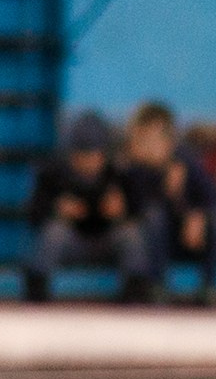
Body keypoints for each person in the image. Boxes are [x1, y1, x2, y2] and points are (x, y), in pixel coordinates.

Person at [22, 110, 159, 304]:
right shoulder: (53, 174)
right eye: (82, 157)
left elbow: (141, 210)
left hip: (108, 240)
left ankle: (135, 291)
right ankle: (37, 290)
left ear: (103, 155)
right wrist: (56, 208)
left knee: (130, 233)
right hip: (73, 242)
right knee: (54, 232)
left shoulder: (119, 173)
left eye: (93, 157)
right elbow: (33, 214)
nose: (88, 164)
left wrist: (123, 209)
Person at [124, 101, 216, 302]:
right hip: (157, 245)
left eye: (157, 138)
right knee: (154, 215)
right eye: (145, 139)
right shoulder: (133, 170)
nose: (152, 146)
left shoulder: (185, 161)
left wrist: (197, 214)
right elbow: (134, 208)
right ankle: (158, 287)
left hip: (192, 241)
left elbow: (214, 198)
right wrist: (164, 187)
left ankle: (210, 288)